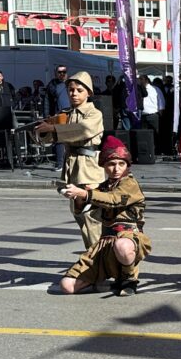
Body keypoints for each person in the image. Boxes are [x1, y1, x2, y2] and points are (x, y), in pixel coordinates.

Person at [59, 137, 151, 297]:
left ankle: (129, 278)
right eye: (111, 164)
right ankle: (99, 275)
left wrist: (85, 193)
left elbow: (114, 200)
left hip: (129, 238)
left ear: (127, 165)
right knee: (67, 286)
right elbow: (81, 210)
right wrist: (78, 197)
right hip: (104, 244)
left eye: (121, 164)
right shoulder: (103, 186)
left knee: (122, 246)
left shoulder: (130, 184)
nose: (116, 169)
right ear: (103, 166)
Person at [34, 72, 104, 248]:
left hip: (88, 168)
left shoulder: (94, 113)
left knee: (91, 214)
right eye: (71, 90)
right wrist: (42, 129)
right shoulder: (65, 114)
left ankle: (97, 257)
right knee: (78, 211)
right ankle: (93, 253)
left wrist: (54, 128)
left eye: (79, 90)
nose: (74, 93)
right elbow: (48, 138)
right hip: (72, 166)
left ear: (88, 92)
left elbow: (84, 130)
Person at [45, 65, 71, 169]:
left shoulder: (72, 83)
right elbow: (47, 100)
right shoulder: (52, 84)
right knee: (59, 139)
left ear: (67, 72)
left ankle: (71, 163)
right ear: (56, 73)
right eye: (59, 72)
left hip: (71, 113)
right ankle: (60, 163)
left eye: (64, 71)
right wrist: (47, 113)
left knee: (72, 138)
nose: (62, 74)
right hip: (58, 114)